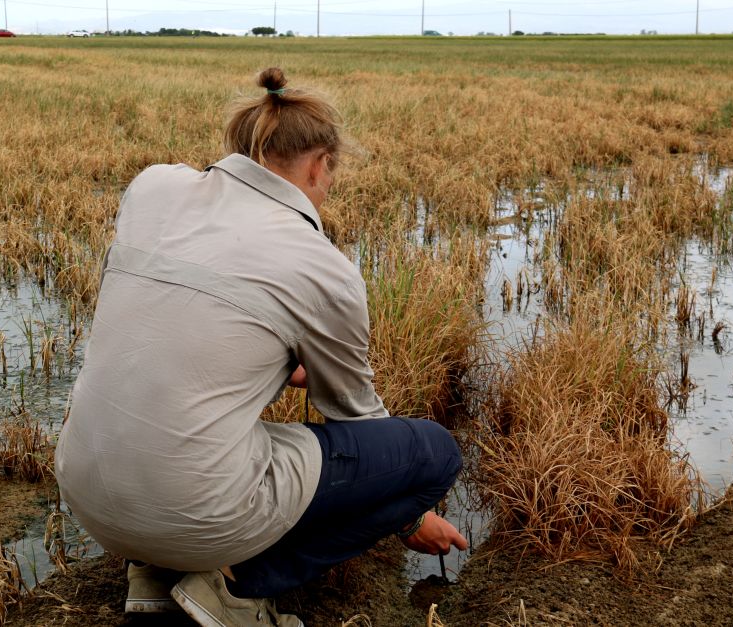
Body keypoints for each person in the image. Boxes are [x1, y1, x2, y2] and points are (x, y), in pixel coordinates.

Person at [54, 67, 467, 627]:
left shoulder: (150, 186)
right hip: (193, 512)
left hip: (86, 493)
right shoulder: (322, 265)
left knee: (182, 422)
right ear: (320, 164)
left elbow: (181, 331)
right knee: (433, 454)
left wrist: (275, 364)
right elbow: (357, 418)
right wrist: (409, 517)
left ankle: (153, 570)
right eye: (330, 175)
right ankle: (235, 586)